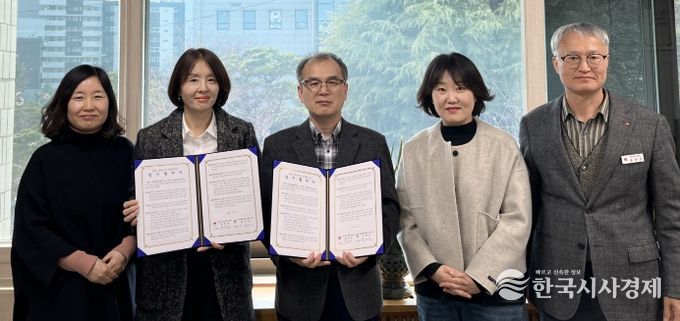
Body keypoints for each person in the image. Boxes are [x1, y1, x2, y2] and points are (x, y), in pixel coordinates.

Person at [520, 22, 680, 321]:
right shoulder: (534, 125)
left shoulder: (650, 125)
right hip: (559, 279)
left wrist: (675, 287)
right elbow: (527, 210)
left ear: (607, 60)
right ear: (556, 63)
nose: (584, 66)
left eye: (594, 56)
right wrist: (522, 279)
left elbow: (671, 213)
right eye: (572, 57)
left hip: (633, 281)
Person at [259, 52, 400, 321]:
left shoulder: (373, 143)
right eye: (313, 83)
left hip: (358, 292)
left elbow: (390, 209)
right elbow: (265, 212)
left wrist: (370, 252)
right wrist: (289, 256)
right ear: (300, 92)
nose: (323, 90)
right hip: (298, 292)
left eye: (332, 82)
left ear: (345, 90)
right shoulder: (277, 145)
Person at [123, 48, 258, 321]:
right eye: (193, 79)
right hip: (166, 275)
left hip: (226, 273)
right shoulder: (151, 138)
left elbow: (255, 201)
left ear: (221, 86)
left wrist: (233, 230)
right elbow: (135, 200)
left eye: (211, 79)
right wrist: (136, 212)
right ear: (179, 87)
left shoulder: (241, 133)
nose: (202, 88)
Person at [396, 52, 531, 321]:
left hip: (496, 293)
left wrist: (478, 276)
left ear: (475, 94)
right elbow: (405, 220)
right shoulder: (414, 150)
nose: (451, 98)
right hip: (436, 293)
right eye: (441, 89)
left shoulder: (503, 145)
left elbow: (518, 220)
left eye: (460, 88)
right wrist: (433, 269)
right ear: (430, 96)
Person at [11, 65, 134, 321]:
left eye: (98, 96)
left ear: (109, 103)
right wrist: (84, 264)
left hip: (115, 282)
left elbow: (145, 211)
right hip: (60, 292)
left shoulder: (125, 153)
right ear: (64, 103)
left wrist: (125, 251)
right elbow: (30, 229)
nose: (89, 106)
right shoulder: (44, 160)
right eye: (79, 97)